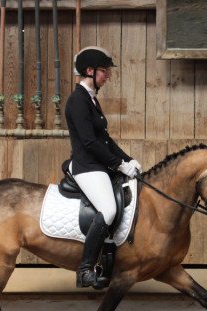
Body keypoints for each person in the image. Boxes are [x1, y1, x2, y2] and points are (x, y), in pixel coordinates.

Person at [65, 46, 141, 288]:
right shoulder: (77, 100)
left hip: (99, 165)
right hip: (87, 166)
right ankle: (85, 269)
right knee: (108, 210)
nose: (107, 76)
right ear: (89, 71)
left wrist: (128, 160)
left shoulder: (91, 99)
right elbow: (88, 142)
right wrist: (118, 164)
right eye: (104, 71)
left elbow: (105, 140)